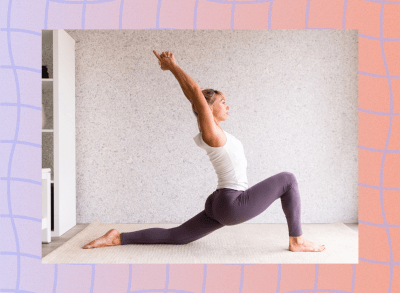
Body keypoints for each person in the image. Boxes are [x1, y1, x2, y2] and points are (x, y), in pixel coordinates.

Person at [82, 50, 325, 252]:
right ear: (207, 108)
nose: (227, 105)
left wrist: (179, 78)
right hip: (232, 203)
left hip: (219, 203)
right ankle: (297, 240)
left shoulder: (216, 132)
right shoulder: (212, 134)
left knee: (178, 236)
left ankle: (117, 237)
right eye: (222, 102)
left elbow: (194, 97)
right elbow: (196, 95)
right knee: (288, 179)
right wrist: (173, 67)